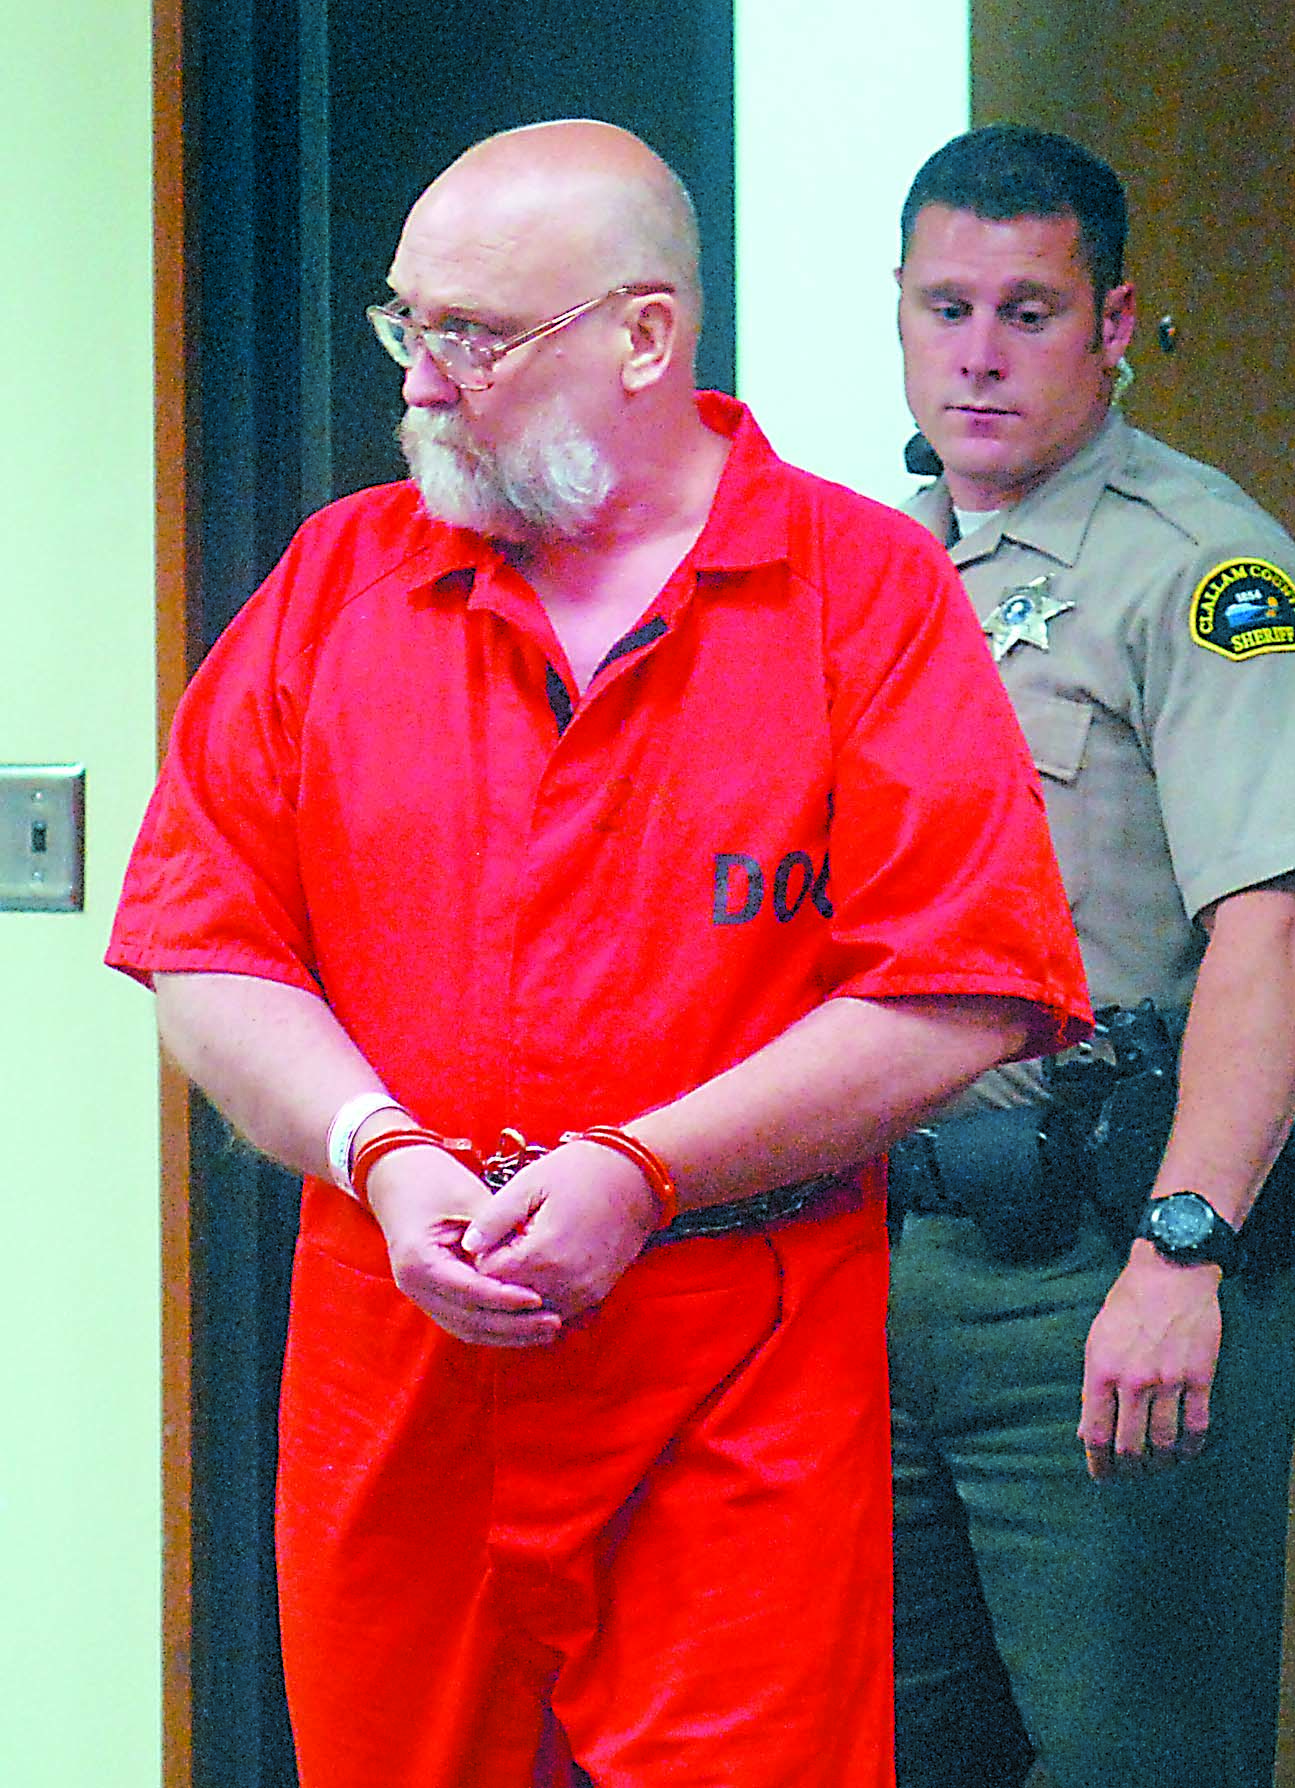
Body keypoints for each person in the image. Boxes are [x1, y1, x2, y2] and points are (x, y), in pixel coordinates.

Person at [107, 120, 1091, 1788]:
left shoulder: (862, 594)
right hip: (398, 1339)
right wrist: (381, 1152)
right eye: (404, 325)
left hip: (736, 1352)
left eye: (471, 336)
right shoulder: (340, 582)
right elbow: (202, 938)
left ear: (644, 336)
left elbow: (965, 983)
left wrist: (642, 1169)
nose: (417, 380)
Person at [886, 123, 1295, 1788]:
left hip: (1097, 1271)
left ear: (1113, 322)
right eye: (945, 306)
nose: (979, 352)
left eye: (1029, 310)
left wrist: (1184, 1254)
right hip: (877, 1274)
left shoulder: (1215, 579)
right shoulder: (869, 576)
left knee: (1136, 1760)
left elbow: (1278, 927)